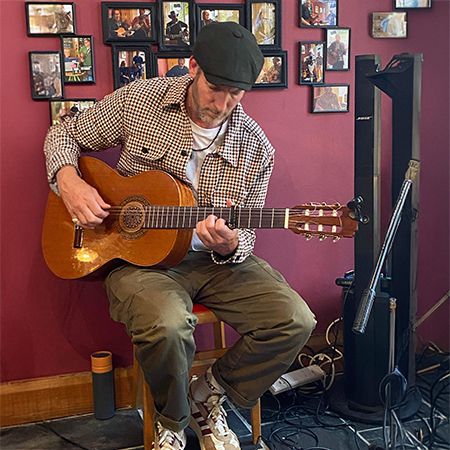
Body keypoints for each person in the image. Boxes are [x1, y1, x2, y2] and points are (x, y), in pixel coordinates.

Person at [43, 22, 316, 450]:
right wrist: (70, 181)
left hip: (214, 263)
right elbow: (63, 133)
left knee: (296, 320)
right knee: (168, 325)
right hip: (136, 260)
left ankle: (209, 392)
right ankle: (173, 421)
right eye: (216, 87)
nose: (223, 103)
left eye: (237, 94)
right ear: (193, 67)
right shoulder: (141, 101)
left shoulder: (256, 147)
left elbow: (244, 238)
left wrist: (230, 243)